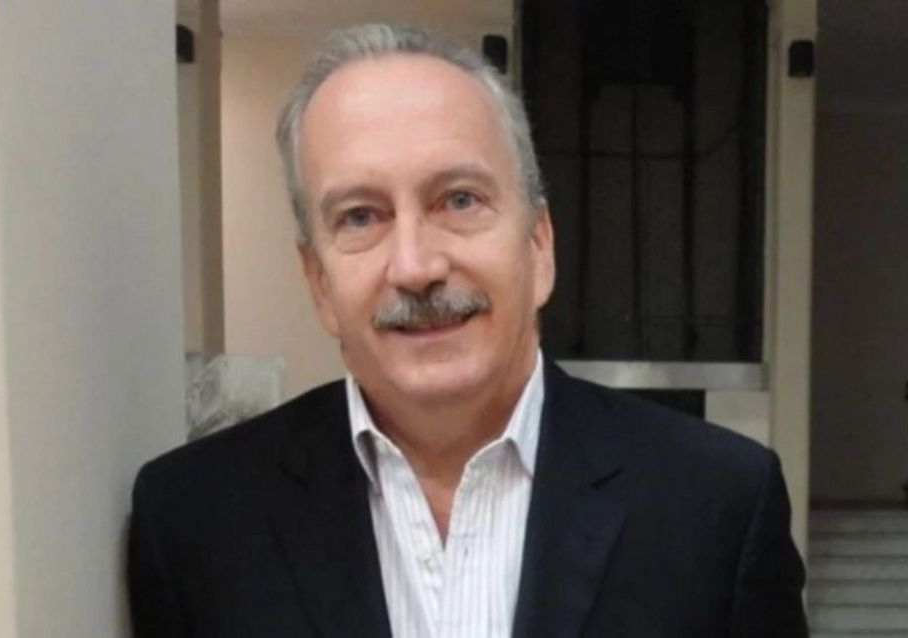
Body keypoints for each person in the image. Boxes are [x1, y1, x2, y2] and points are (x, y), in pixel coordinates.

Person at [127, 24, 807, 637]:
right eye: (361, 216)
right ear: (319, 283)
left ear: (539, 246)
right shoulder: (194, 522)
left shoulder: (717, 505)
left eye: (459, 200)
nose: (416, 267)